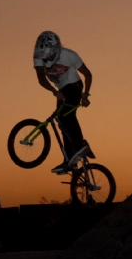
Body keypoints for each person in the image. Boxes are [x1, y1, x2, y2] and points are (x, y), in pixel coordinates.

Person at [33, 31, 94, 174]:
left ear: (56, 49)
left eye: (49, 55)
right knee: (61, 122)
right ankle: (69, 160)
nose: (47, 59)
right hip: (61, 90)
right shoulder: (38, 56)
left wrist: (85, 95)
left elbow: (87, 74)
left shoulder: (69, 55)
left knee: (67, 116)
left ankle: (79, 144)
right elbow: (41, 78)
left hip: (74, 85)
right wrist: (54, 92)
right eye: (44, 56)